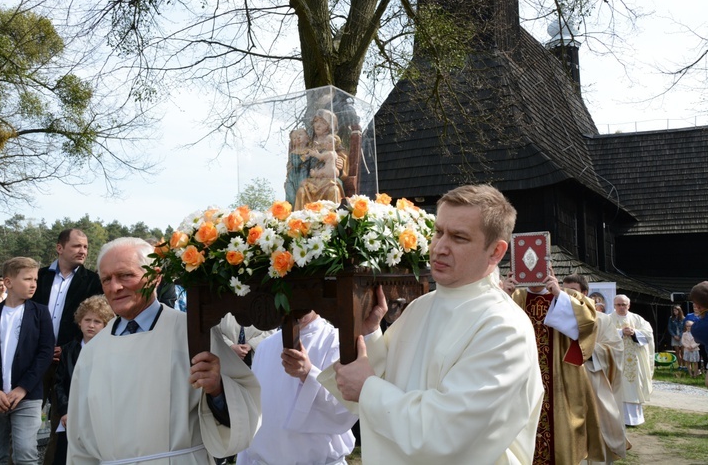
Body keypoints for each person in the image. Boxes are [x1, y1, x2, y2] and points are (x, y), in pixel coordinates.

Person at [320, 184, 543, 464]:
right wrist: (370, 334)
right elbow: (396, 382)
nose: (439, 247)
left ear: (496, 252)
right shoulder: (421, 307)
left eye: (459, 237)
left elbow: (446, 433)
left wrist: (367, 388)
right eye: (438, 232)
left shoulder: (504, 329)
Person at [66, 237, 261, 463]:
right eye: (106, 279)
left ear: (155, 275)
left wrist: (218, 389)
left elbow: (246, 405)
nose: (115, 287)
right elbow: (79, 435)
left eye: (125, 275)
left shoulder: (193, 333)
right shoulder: (93, 350)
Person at [504, 269, 603, 464]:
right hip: (521, 378)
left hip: (559, 377)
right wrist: (502, 297)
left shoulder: (567, 295)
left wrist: (559, 295)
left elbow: (589, 323)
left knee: (561, 428)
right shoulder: (514, 296)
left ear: (547, 266)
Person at [237, 310, 357, 465]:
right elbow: (253, 415)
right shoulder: (265, 346)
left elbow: (345, 411)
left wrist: (308, 374)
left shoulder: (336, 341)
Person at [0, 257, 55, 465]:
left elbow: (45, 353)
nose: (34, 284)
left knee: (26, 455)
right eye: (27, 279)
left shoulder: (41, 313)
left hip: (27, 398)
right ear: (8, 282)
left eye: (35, 279)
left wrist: (22, 388)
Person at [31, 228, 104, 464]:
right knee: (25, 422)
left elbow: (96, 317)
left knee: (62, 424)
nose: (83, 251)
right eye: (77, 246)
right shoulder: (38, 277)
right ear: (60, 248)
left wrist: (69, 346)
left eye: (85, 247)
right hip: (35, 361)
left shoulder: (93, 281)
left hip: (71, 360)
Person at [562, 275, 627, 464]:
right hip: (564, 381)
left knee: (594, 424)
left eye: (573, 291)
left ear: (584, 293)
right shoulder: (555, 317)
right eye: (564, 291)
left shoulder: (602, 320)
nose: (568, 295)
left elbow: (615, 349)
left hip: (592, 379)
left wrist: (587, 350)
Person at [52, 295, 115, 465]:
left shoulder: (112, 351)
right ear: (79, 321)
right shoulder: (68, 350)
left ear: (106, 325)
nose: (91, 325)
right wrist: (65, 411)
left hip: (99, 416)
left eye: (97, 321)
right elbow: (59, 383)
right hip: (71, 415)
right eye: (87, 320)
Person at [610, 294, 654, 426]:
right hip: (616, 360)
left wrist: (634, 332)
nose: (621, 307)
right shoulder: (608, 319)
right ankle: (617, 418)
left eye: (624, 304)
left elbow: (648, 334)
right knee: (618, 386)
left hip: (635, 361)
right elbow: (602, 335)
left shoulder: (637, 319)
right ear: (614, 305)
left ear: (629, 305)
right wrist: (620, 332)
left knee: (634, 386)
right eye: (618, 304)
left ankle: (635, 419)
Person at [284, 127, 312, 206]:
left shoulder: (310, 151)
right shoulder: (294, 153)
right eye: (294, 137)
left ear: (307, 137)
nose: (298, 138)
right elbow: (295, 164)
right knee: (291, 197)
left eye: (300, 134)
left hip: (304, 176)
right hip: (293, 177)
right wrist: (304, 158)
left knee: (302, 194)